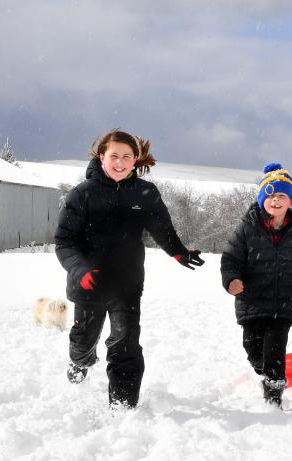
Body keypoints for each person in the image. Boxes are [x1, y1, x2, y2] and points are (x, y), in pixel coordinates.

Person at [55, 129, 205, 408]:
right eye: (114, 156)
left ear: (136, 159)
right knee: (83, 342)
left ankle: (123, 404)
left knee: (126, 344)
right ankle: (79, 362)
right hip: (89, 285)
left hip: (127, 284)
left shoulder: (145, 193)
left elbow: (163, 230)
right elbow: (64, 241)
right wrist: (80, 270)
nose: (120, 162)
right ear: (102, 157)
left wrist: (179, 253)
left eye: (127, 156)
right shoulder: (82, 194)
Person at [221, 163, 292, 408]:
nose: (275, 200)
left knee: (275, 349)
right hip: (253, 300)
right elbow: (231, 259)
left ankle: (274, 398)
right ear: (260, 200)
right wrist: (231, 280)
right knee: (254, 349)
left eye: (281, 196)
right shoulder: (247, 227)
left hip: (286, 302)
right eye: (270, 195)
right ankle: (263, 370)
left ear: (291, 201)